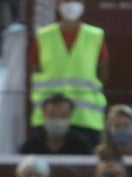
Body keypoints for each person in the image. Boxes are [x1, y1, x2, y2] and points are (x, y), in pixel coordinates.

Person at [28, 0, 109, 145]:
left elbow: (103, 73)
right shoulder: (43, 36)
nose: (71, 4)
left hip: (86, 119)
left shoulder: (95, 36)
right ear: (57, 3)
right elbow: (33, 71)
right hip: (49, 118)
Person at [18, 92, 96, 155]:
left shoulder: (81, 145)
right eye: (52, 115)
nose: (57, 120)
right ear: (44, 116)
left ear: (70, 117)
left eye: (62, 116)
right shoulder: (31, 146)